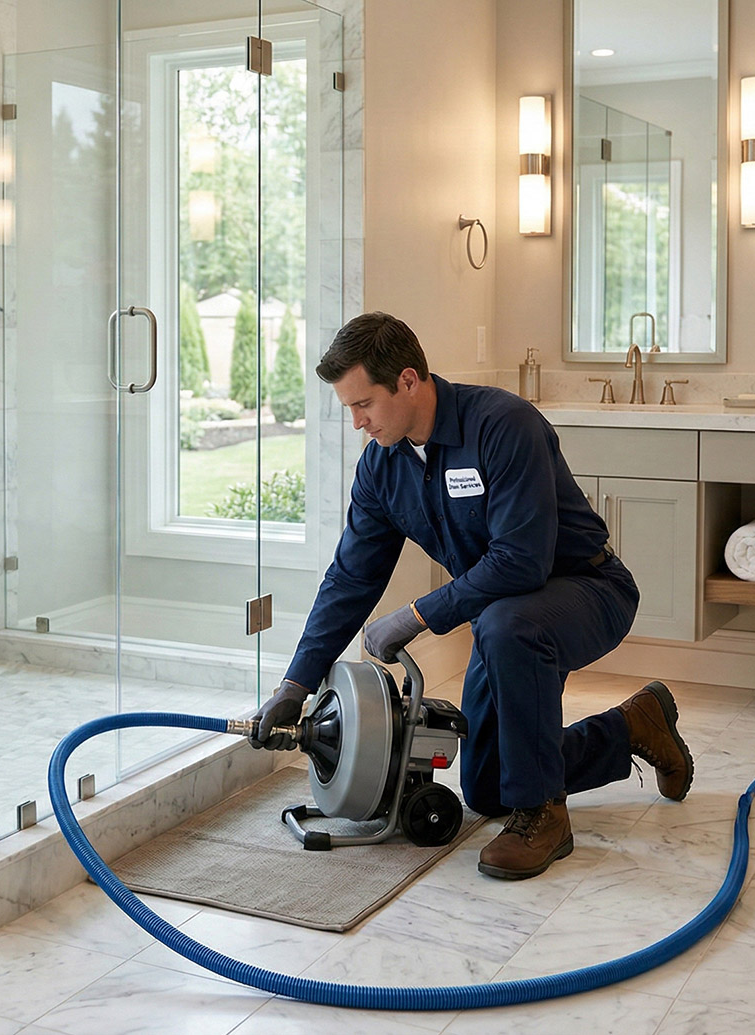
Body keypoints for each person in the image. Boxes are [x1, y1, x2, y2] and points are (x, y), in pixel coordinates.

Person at [250, 312, 694, 880]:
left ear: (409, 380)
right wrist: (296, 684)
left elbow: (521, 560)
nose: (358, 422)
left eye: (364, 404)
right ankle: (633, 726)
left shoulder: (503, 425)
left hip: (589, 588)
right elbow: (350, 579)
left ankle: (545, 816)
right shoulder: (382, 468)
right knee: (486, 787)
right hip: (505, 617)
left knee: (507, 629)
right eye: (350, 409)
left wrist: (415, 617)